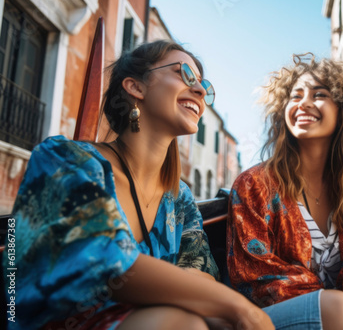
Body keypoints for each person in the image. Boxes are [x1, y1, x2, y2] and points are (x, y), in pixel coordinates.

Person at [3, 40, 273, 330]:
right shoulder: (65, 159)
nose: (200, 91)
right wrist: (241, 308)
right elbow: (105, 260)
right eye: (184, 74)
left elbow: (200, 271)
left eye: (204, 85)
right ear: (135, 87)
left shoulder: (178, 197)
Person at [227, 54, 343, 330]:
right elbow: (254, 277)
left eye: (319, 94)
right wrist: (339, 304)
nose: (303, 103)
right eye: (295, 95)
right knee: (341, 309)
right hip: (266, 322)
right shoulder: (254, 185)